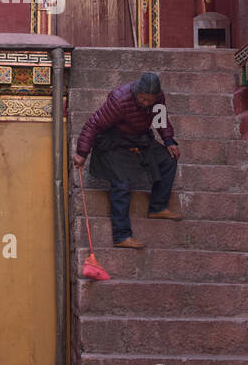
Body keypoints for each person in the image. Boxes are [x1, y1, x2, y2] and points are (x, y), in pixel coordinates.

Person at [72, 71, 182, 249]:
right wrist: (82, 152)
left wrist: (169, 140)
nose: (146, 103)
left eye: (150, 100)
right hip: (113, 142)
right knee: (121, 182)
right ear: (136, 92)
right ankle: (122, 235)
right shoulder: (119, 100)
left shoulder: (158, 98)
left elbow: (160, 120)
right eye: (143, 99)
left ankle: (158, 207)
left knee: (169, 158)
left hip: (139, 139)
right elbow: (94, 124)